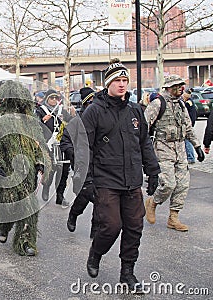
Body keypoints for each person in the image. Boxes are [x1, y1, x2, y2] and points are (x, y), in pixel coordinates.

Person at [80, 59, 160, 293]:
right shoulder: (94, 111)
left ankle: (127, 272)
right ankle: (96, 253)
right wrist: (86, 181)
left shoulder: (136, 110)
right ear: (108, 84)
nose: (122, 84)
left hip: (132, 180)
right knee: (111, 226)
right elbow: (84, 147)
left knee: (134, 226)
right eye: (117, 80)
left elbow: (144, 143)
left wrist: (153, 171)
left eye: (125, 80)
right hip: (106, 180)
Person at [0, 80, 49, 256]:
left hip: (27, 170)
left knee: (29, 206)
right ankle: (4, 225)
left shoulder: (30, 119)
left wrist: (40, 160)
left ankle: (26, 241)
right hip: (5, 170)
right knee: (8, 204)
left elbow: (38, 142)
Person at [144, 75, 205, 232]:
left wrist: (197, 146)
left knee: (183, 185)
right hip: (163, 150)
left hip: (180, 150)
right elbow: (144, 126)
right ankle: (153, 203)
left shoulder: (181, 105)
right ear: (168, 88)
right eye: (176, 86)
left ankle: (173, 218)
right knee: (168, 184)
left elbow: (188, 127)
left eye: (181, 86)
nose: (180, 89)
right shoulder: (158, 104)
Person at [60, 87, 96, 235]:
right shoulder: (76, 122)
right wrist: (75, 154)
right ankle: (74, 213)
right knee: (86, 192)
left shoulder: (102, 118)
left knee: (103, 198)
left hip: (101, 163)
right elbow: (65, 141)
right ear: (86, 104)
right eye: (91, 103)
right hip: (83, 165)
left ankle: (97, 228)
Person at [35, 89, 72, 206]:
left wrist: (73, 116)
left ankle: (60, 196)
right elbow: (34, 125)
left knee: (64, 170)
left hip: (62, 142)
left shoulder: (62, 110)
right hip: (48, 143)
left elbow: (71, 121)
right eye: (52, 98)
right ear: (47, 99)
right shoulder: (41, 110)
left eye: (56, 98)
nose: (54, 100)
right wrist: (42, 120)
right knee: (50, 169)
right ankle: (46, 187)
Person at [182, 89, 197, 164]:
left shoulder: (188, 103)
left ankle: (190, 157)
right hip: (189, 123)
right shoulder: (189, 101)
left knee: (188, 141)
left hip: (188, 124)